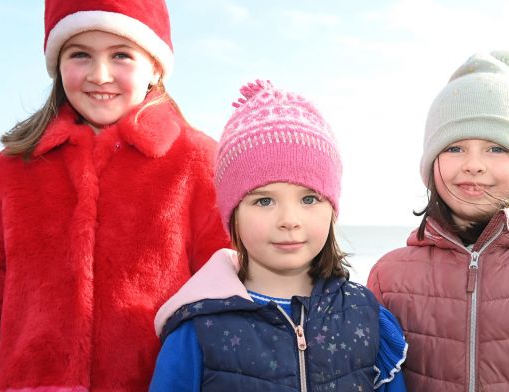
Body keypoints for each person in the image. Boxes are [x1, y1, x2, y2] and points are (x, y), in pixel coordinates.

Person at [0, 0, 229, 390]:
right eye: (80, 54)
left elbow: (232, 310)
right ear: (57, 64)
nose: (100, 75)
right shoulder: (1, 177)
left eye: (121, 55)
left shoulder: (202, 166)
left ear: (155, 67)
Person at [149, 80, 408, 391]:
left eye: (309, 199)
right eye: (264, 201)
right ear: (233, 214)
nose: (289, 220)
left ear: (333, 209)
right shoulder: (197, 328)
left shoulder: (366, 317)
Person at [367, 51, 509, 391]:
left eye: (495, 148)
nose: (474, 164)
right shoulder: (389, 276)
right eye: (454, 148)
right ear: (431, 163)